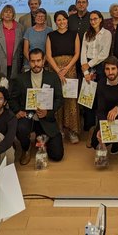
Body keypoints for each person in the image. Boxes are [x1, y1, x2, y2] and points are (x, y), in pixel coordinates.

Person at [9, 48, 64, 163]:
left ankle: (43, 140)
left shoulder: (53, 77)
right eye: (33, 61)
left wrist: (48, 112)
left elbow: (59, 99)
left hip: (46, 117)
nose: (36, 64)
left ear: (44, 61)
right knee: (20, 128)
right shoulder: (20, 79)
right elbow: (12, 99)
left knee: (57, 155)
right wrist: (18, 111)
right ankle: (26, 148)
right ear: (29, 62)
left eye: (38, 61)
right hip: (28, 116)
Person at [46, 10, 81, 143]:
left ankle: (72, 131)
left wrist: (66, 68)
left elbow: (77, 53)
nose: (61, 22)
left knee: (70, 100)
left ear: (67, 20)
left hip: (70, 70)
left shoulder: (74, 34)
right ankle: (58, 130)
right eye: (58, 20)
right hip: (55, 70)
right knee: (57, 99)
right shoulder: (51, 35)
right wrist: (58, 70)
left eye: (64, 19)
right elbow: (48, 56)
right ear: (55, 22)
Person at [79, 10, 112, 131]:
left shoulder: (107, 33)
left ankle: (101, 126)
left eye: (95, 19)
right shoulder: (87, 33)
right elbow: (83, 52)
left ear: (101, 19)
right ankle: (89, 126)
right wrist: (86, 71)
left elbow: (104, 54)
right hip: (86, 66)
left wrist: (89, 64)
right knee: (88, 98)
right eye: (91, 19)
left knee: (101, 96)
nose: (93, 21)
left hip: (100, 66)